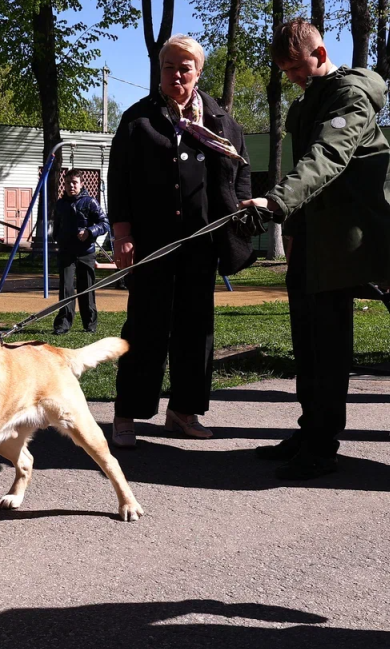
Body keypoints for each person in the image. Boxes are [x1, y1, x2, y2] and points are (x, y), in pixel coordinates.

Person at [239, 19, 390, 479]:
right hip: (316, 244)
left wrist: (276, 199)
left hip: (361, 240)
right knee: (310, 344)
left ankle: (322, 447)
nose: (293, 79)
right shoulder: (305, 105)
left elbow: (328, 155)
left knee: (327, 347)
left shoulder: (352, 95)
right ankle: (313, 433)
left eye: (298, 69)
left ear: (320, 55)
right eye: (286, 72)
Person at [107, 34, 252, 448]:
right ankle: (126, 413)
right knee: (145, 326)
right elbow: (119, 180)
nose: (176, 74)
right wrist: (122, 234)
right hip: (152, 245)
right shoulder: (139, 120)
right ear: (160, 70)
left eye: (184, 67)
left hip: (201, 246)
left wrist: (240, 213)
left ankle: (183, 412)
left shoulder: (220, 122)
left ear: (198, 72)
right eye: (169, 66)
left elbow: (241, 170)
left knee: (196, 329)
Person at [52, 170, 110, 335]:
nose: (71, 186)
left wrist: (90, 231)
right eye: (68, 182)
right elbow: (56, 225)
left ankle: (90, 323)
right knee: (66, 288)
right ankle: (63, 323)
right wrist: (58, 238)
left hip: (86, 252)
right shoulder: (61, 204)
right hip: (66, 252)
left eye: (75, 182)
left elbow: (104, 223)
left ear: (81, 184)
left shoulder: (90, 202)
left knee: (87, 288)